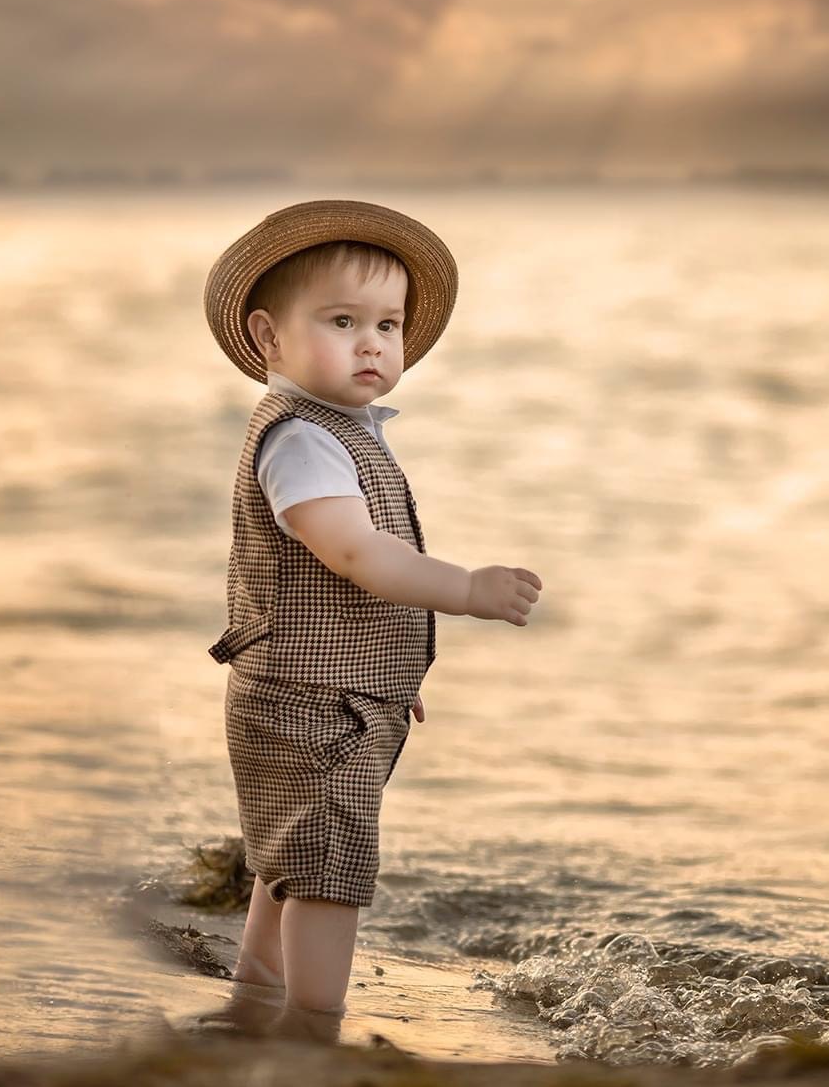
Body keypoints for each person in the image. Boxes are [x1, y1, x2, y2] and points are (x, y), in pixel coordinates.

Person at [200, 199, 542, 1039]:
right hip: (312, 700)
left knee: (292, 859)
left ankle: (255, 1004)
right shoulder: (303, 439)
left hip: (332, 694)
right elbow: (351, 553)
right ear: (267, 337)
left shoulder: (334, 430)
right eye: (342, 320)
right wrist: (465, 588)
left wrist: (392, 677)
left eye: (387, 325)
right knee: (328, 870)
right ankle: (314, 1022)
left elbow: (345, 601)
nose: (371, 344)